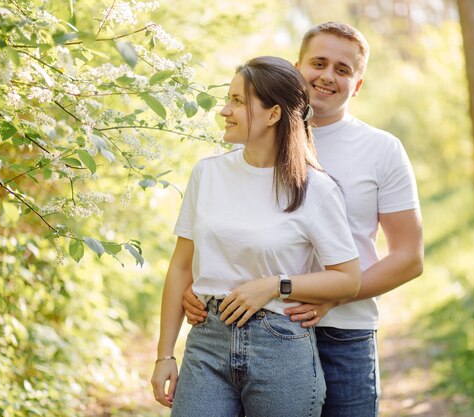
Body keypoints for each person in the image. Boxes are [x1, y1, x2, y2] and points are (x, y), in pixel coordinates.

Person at [182, 23, 424, 417]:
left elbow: (409, 257)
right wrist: (200, 290)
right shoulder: (251, 137)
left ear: (357, 85)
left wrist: (330, 295)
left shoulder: (382, 150)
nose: (328, 75)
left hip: (343, 333)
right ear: (297, 70)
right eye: (319, 62)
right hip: (246, 328)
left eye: (343, 70)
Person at [150, 56, 361, 417]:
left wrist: (274, 285)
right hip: (207, 341)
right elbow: (181, 267)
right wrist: (165, 354)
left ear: (273, 114)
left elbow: (348, 279)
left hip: (280, 346)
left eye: (237, 101)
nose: (224, 110)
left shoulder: (317, 189)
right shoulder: (207, 174)